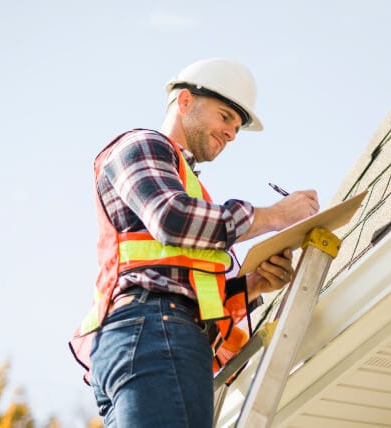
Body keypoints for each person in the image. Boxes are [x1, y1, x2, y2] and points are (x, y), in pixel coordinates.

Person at [68, 58, 319, 427]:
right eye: (225, 116)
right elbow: (170, 218)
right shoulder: (142, 145)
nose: (231, 134)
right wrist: (275, 215)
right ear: (184, 101)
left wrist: (252, 284)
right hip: (153, 329)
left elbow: (179, 276)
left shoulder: (187, 183)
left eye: (237, 128)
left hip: (144, 335)